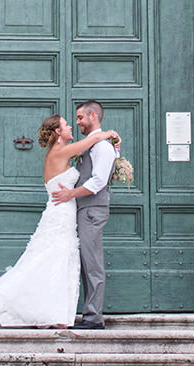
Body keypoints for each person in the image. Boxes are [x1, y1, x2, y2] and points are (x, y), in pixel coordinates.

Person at [0, 113, 119, 329]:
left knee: (58, 262)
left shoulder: (62, 153)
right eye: (66, 125)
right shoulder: (60, 151)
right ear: (57, 132)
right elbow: (89, 142)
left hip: (65, 214)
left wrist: (113, 149)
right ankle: (53, 314)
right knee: (55, 259)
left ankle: (56, 314)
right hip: (60, 215)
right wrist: (106, 134)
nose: (71, 126)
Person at [52, 100, 117, 330]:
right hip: (85, 210)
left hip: (92, 210)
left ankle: (93, 317)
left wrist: (71, 194)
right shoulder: (94, 144)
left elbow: (98, 181)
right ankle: (89, 313)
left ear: (93, 116)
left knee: (93, 264)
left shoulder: (102, 147)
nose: (78, 121)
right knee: (86, 263)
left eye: (80, 117)